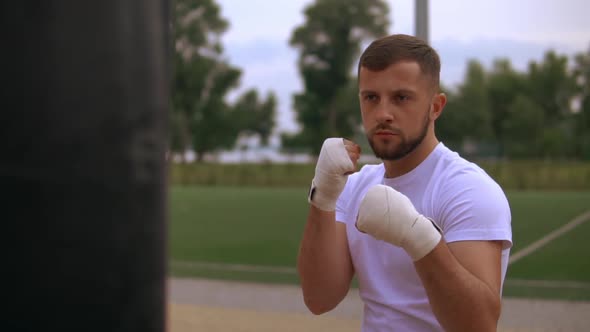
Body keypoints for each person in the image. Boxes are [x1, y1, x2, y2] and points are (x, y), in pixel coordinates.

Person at [298, 34, 513, 332]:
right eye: (371, 97)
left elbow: (478, 326)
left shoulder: (468, 190)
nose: (383, 113)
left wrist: (419, 238)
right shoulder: (352, 187)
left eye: (401, 98)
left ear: (435, 107)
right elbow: (319, 299)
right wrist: (322, 196)